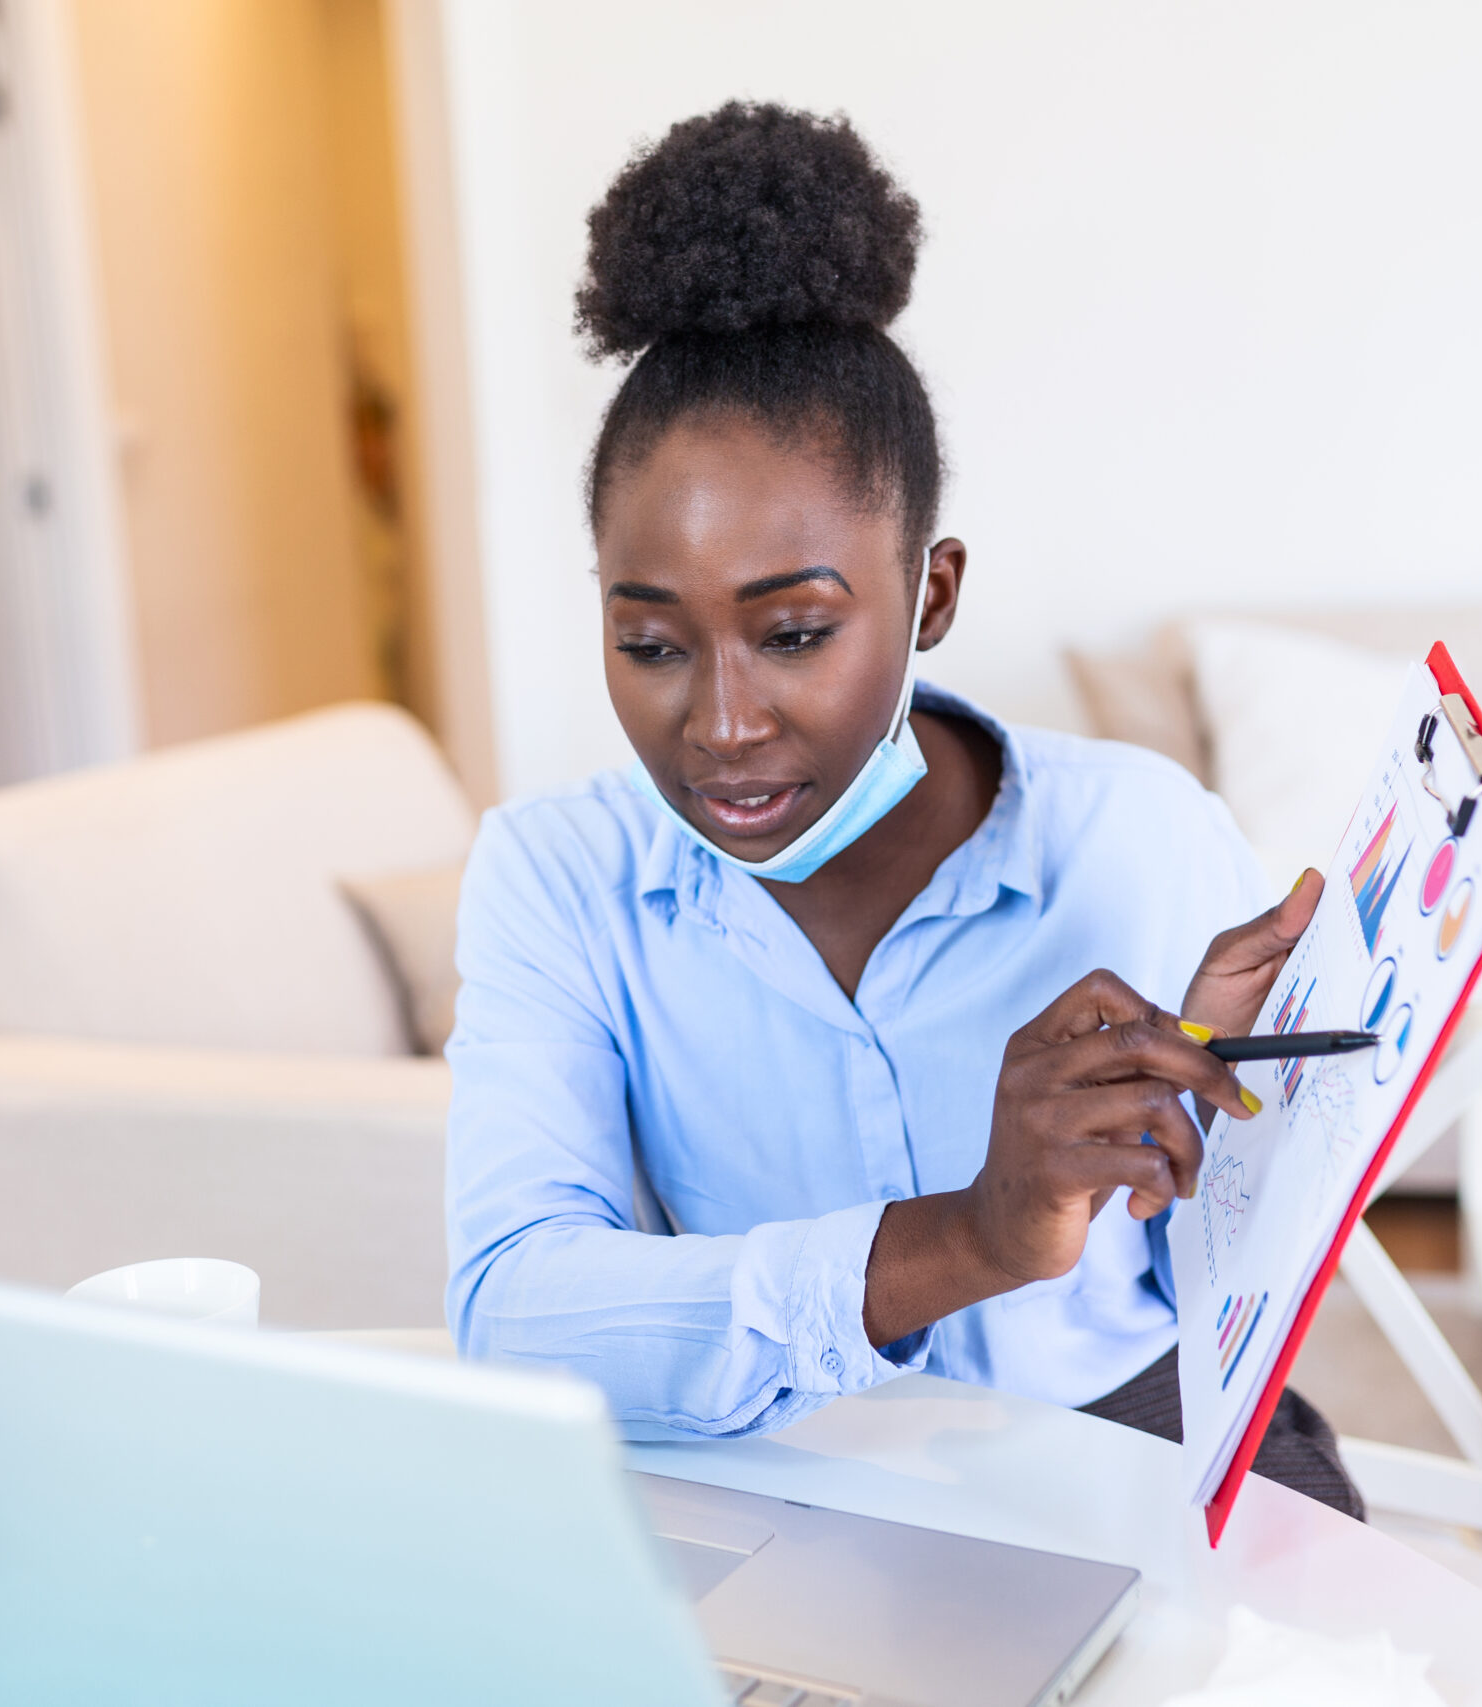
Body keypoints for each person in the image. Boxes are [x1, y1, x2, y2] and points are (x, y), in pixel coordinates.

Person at [444, 102, 1360, 1517]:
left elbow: (1259, 1285)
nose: (722, 721)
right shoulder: (556, 877)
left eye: (794, 632)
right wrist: (972, 1236)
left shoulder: (1138, 836)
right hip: (790, 1483)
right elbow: (515, 1310)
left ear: (930, 593)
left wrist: (1264, 1111)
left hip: (1142, 1438)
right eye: (653, 643)